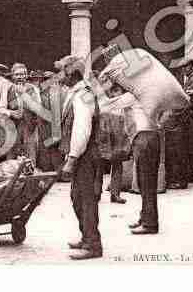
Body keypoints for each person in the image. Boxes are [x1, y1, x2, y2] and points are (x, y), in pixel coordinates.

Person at [55, 55, 102, 260]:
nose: (59, 75)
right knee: (78, 198)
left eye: (61, 71)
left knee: (86, 199)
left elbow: (82, 130)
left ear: (71, 73)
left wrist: (72, 158)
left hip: (85, 155)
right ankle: (86, 236)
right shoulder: (76, 92)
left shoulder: (83, 94)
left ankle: (93, 245)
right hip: (82, 155)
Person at [0, 63, 40, 163]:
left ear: (26, 75)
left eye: (22, 74)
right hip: (13, 128)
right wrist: (10, 113)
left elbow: (39, 108)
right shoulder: (7, 89)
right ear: (12, 76)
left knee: (30, 157)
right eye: (17, 75)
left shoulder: (33, 89)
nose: (20, 77)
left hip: (29, 129)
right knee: (12, 158)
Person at [98, 83, 129, 202]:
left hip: (119, 138)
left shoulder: (124, 105)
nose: (116, 94)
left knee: (117, 165)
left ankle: (115, 194)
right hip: (106, 137)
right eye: (114, 91)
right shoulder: (105, 103)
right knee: (100, 165)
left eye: (118, 91)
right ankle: (97, 192)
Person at [36, 71, 65, 179]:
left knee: (53, 148)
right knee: (50, 149)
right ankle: (52, 172)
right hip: (47, 125)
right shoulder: (48, 92)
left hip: (51, 125)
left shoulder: (54, 93)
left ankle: (55, 173)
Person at [161, 108, 189, 189]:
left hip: (176, 126)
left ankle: (179, 181)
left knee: (177, 155)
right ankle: (172, 180)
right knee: (170, 155)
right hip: (168, 127)